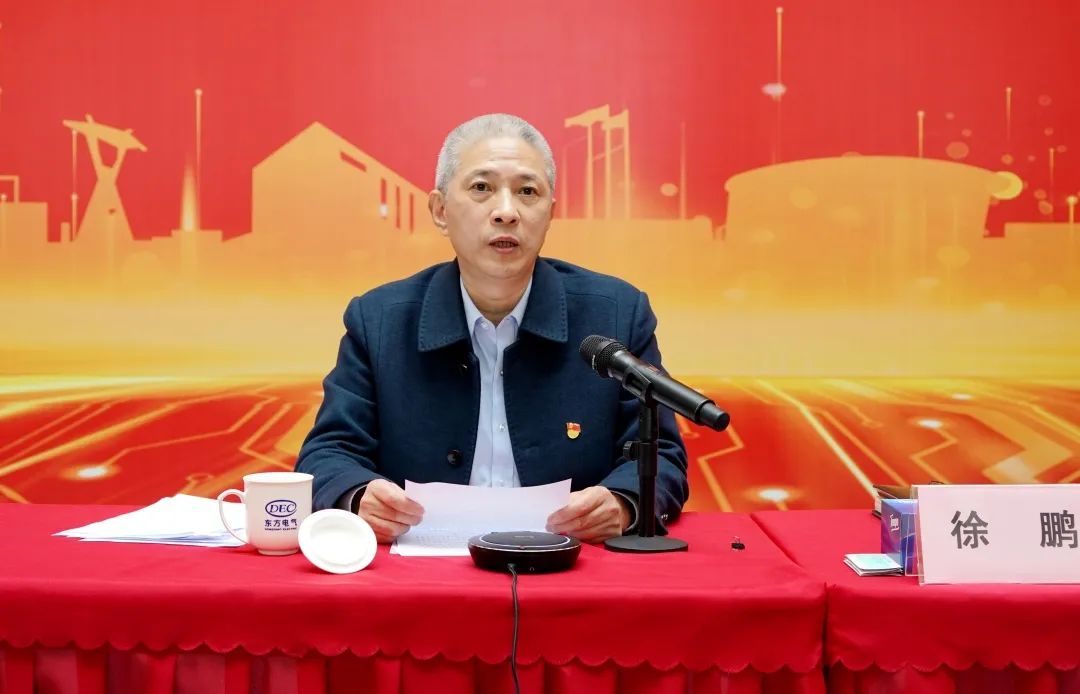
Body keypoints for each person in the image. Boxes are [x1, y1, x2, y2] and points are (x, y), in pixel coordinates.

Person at [296, 113, 688, 544]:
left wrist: (624, 502)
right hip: (420, 569)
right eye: (482, 188)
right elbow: (327, 454)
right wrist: (357, 496)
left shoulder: (615, 314)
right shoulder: (379, 320)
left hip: (571, 564)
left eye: (527, 192)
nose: (506, 212)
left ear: (550, 213)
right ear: (440, 211)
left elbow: (662, 456)